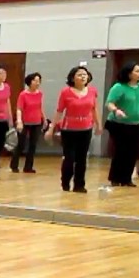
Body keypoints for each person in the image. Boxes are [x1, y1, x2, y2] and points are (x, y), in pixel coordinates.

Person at [46, 65, 101, 193]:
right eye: (79, 74)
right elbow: (59, 111)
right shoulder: (66, 92)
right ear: (72, 78)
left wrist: (98, 124)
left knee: (82, 159)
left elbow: (94, 109)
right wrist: (51, 128)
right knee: (69, 158)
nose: (83, 77)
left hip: (86, 129)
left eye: (85, 74)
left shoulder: (92, 91)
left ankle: (79, 185)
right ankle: (65, 181)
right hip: (69, 130)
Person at [104, 62, 139, 187]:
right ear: (129, 73)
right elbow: (109, 103)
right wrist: (116, 110)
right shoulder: (119, 87)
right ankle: (115, 178)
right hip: (118, 124)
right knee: (121, 150)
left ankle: (126, 178)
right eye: (136, 71)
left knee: (134, 151)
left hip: (135, 124)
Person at [10, 73, 45, 174]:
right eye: (35, 81)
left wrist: (44, 118)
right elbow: (19, 109)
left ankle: (28, 167)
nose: (37, 83)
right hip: (25, 122)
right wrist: (19, 121)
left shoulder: (40, 94)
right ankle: (14, 165)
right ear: (30, 82)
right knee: (21, 144)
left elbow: (40, 107)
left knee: (33, 145)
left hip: (37, 122)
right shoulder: (23, 94)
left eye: (39, 81)